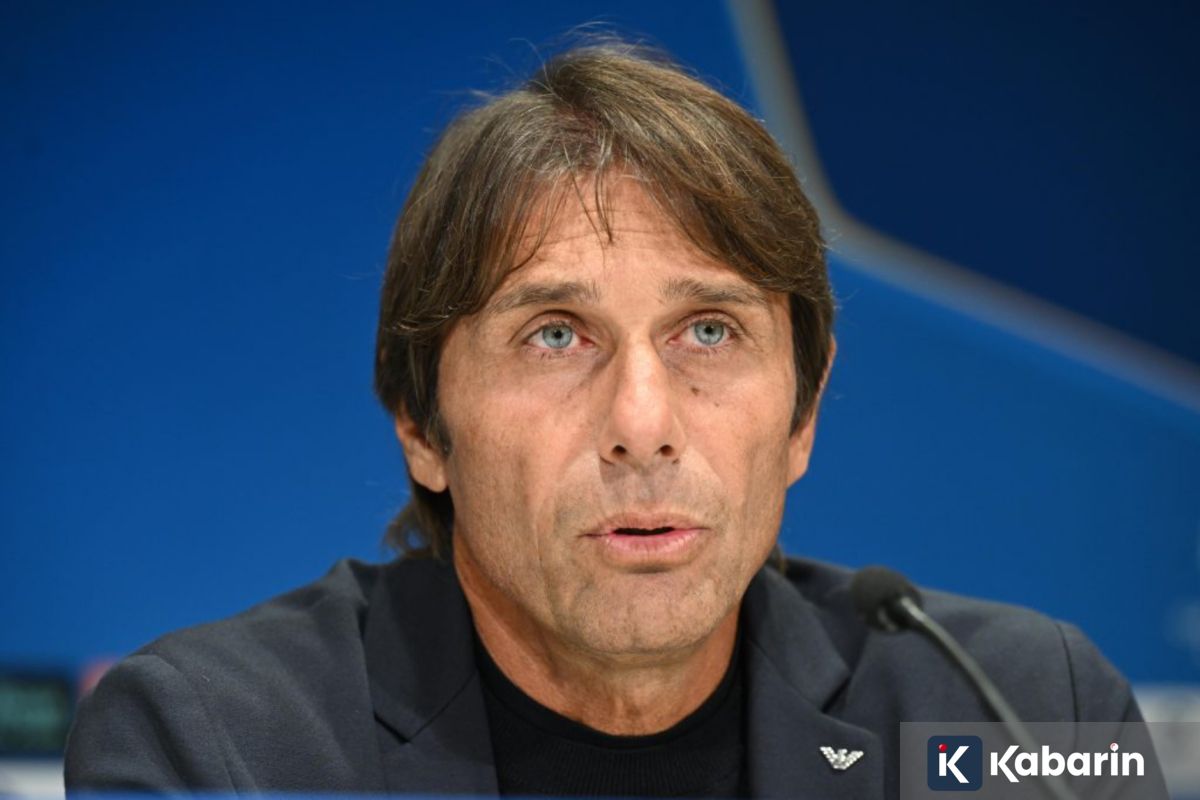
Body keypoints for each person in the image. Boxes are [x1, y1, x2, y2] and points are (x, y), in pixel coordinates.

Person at [65, 43, 1156, 799]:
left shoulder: (1020, 718)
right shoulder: (218, 746)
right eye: (555, 335)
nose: (642, 422)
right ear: (421, 423)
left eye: (709, 332)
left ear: (803, 415)